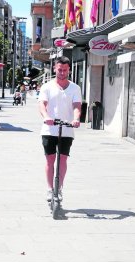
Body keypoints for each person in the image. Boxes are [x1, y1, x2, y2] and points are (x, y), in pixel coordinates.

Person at [39, 56, 82, 202]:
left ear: (69, 70)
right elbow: (42, 104)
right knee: (50, 159)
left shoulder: (75, 88)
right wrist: (46, 116)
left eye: (65, 70)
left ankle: (60, 188)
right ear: (54, 69)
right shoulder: (47, 87)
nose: (62, 72)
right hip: (49, 129)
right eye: (59, 70)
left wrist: (76, 119)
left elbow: (77, 106)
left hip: (67, 128)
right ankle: (50, 189)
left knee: (63, 159)